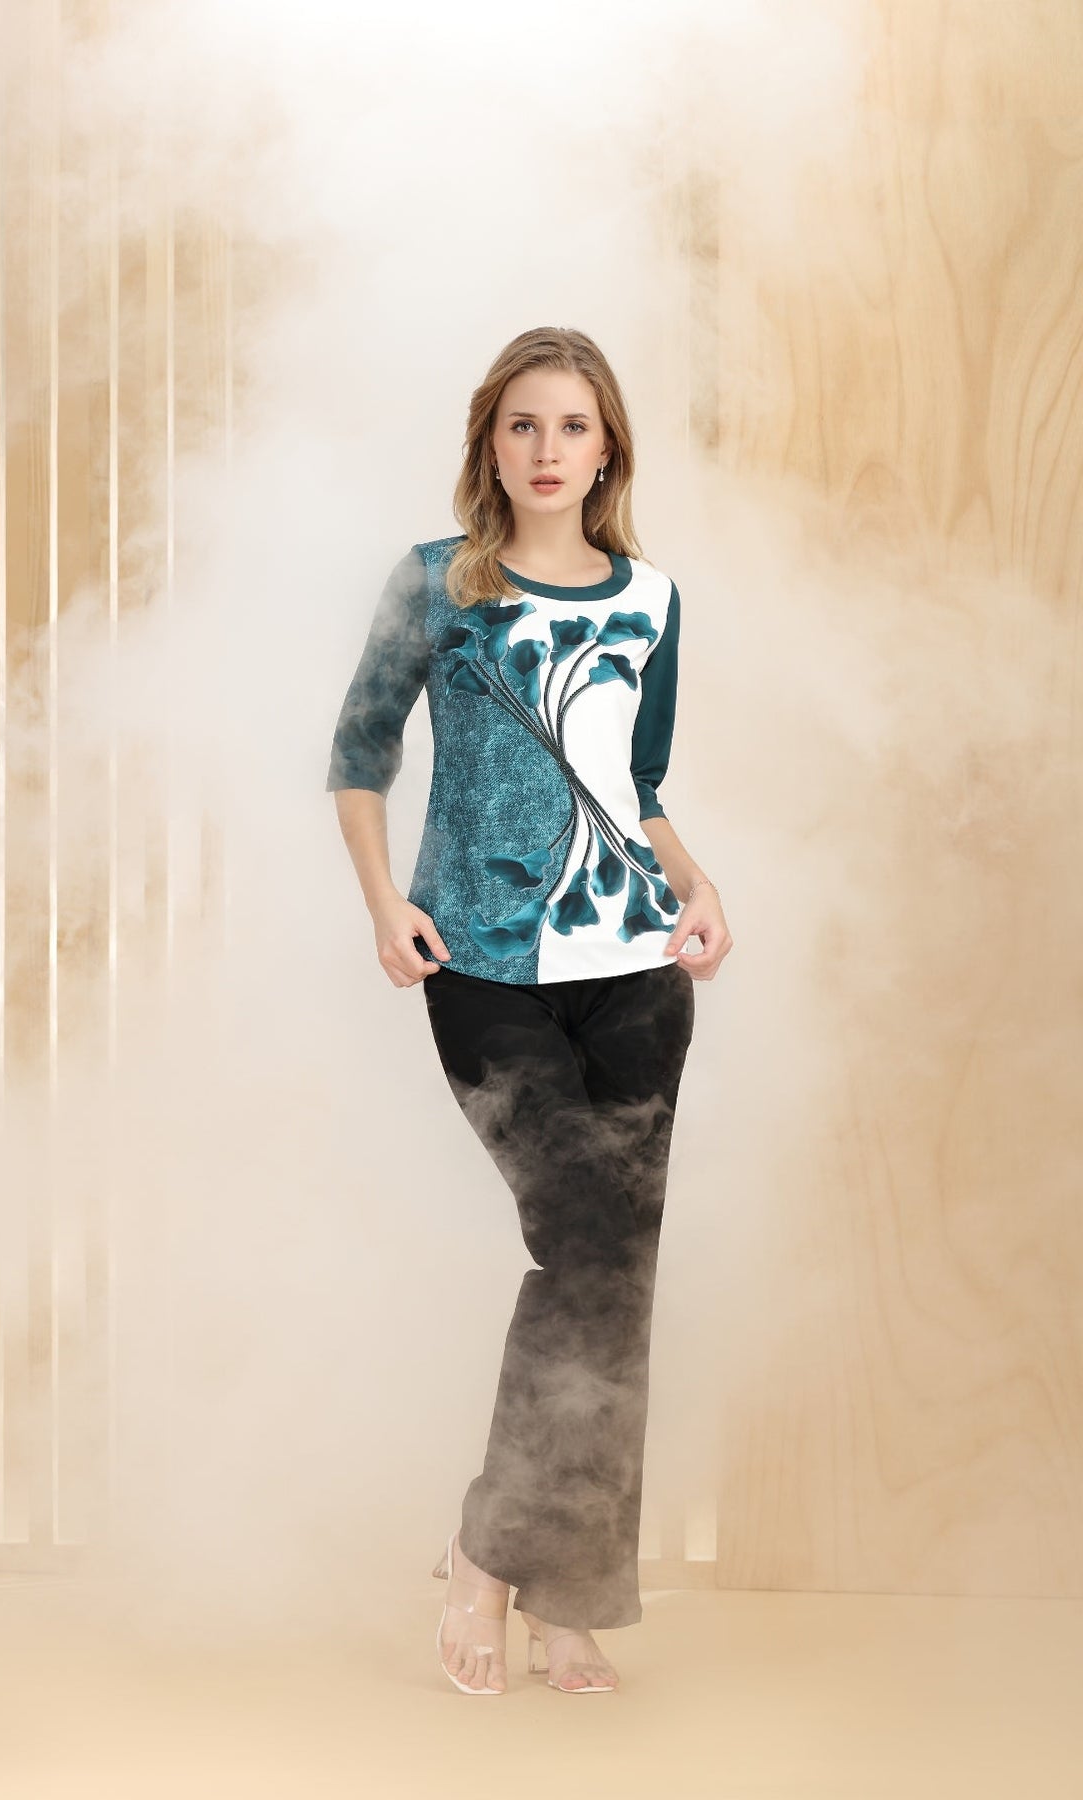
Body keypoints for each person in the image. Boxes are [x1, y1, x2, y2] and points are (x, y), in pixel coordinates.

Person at [325, 325, 733, 1696]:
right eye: (523, 425)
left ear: (608, 450)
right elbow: (359, 754)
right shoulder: (436, 583)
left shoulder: (650, 600)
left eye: (573, 427)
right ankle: (490, 1553)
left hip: (635, 973)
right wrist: (385, 904)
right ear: (488, 445)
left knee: (618, 1277)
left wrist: (698, 882)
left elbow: (640, 784)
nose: (548, 451)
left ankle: (568, 1604)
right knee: (582, 1243)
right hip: (483, 968)